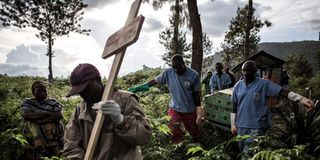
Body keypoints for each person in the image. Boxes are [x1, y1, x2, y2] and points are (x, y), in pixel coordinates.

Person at [62, 63, 151, 160]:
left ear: (98, 80)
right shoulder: (80, 110)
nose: (82, 94)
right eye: (79, 91)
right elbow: (71, 145)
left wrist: (121, 121)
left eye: (86, 88)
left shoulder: (126, 100)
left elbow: (144, 137)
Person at [230, 60, 314, 153]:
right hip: (241, 125)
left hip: (257, 126)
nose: (246, 73)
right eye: (244, 70)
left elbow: (282, 91)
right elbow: (234, 106)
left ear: (255, 71)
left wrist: (301, 99)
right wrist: (233, 124)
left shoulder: (264, 84)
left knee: (248, 153)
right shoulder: (238, 86)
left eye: (249, 70)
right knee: (242, 152)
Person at [128, 54, 203, 144]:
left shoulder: (193, 75)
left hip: (189, 110)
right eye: (174, 68)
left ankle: (196, 144)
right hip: (175, 108)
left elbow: (196, 94)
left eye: (178, 67)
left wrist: (198, 110)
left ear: (183, 64)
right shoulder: (168, 72)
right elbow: (155, 81)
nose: (176, 70)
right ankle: (178, 146)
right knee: (174, 129)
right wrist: (140, 87)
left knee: (194, 132)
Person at [21, 80, 64, 159]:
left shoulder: (52, 102)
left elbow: (59, 115)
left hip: (54, 141)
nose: (43, 92)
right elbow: (26, 115)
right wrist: (48, 114)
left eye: (44, 90)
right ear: (33, 93)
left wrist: (41, 121)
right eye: (39, 90)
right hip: (35, 143)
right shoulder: (28, 102)